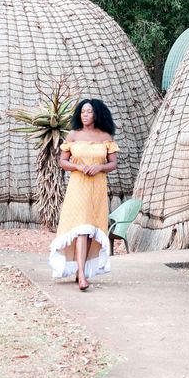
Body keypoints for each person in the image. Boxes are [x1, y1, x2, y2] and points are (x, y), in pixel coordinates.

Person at [48, 98, 118, 290]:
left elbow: (113, 163)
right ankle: (81, 276)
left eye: (89, 112)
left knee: (89, 231)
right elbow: (63, 161)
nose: (85, 115)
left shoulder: (105, 136)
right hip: (78, 186)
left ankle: (82, 270)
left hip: (97, 187)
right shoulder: (73, 135)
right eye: (82, 112)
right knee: (81, 228)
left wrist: (100, 167)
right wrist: (77, 166)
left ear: (97, 114)